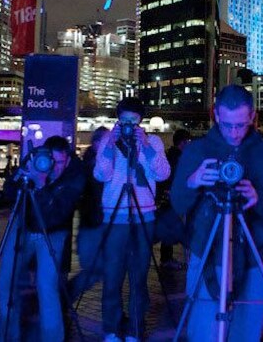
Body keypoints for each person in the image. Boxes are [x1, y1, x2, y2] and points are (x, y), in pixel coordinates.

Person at [170, 84, 263, 342]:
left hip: (255, 255)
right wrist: (193, 182)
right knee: (205, 332)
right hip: (207, 252)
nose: (235, 133)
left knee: (246, 334)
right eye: (227, 125)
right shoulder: (197, 151)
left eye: (241, 125)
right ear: (215, 114)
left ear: (252, 116)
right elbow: (178, 204)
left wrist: (257, 198)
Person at [93, 97, 170, 342]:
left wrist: (145, 145)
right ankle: (112, 329)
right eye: (124, 120)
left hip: (143, 216)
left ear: (140, 122)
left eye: (133, 121)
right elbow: (100, 174)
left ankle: (136, 328)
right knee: (112, 276)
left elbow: (163, 173)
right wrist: (110, 146)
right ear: (117, 120)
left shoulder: (153, 141)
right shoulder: (108, 140)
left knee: (139, 277)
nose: (128, 125)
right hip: (115, 216)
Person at [0, 135, 85, 341]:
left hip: (53, 230)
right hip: (23, 226)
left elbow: (57, 214)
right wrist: (24, 173)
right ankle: (10, 335)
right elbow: (8, 192)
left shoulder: (76, 175)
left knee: (47, 286)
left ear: (68, 159)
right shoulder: (36, 161)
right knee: (6, 282)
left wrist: (41, 185)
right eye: (50, 160)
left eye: (60, 162)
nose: (53, 167)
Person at [69, 126, 109, 300]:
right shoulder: (91, 167)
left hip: (95, 222)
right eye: (107, 141)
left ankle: (65, 296)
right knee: (96, 269)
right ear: (96, 144)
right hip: (94, 223)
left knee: (101, 270)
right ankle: (65, 296)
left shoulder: (90, 164)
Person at [158, 128, 191, 269]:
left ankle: (167, 258)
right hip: (173, 197)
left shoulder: (169, 154)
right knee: (172, 227)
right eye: (188, 141)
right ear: (183, 142)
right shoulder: (178, 158)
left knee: (169, 226)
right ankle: (168, 259)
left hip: (166, 196)